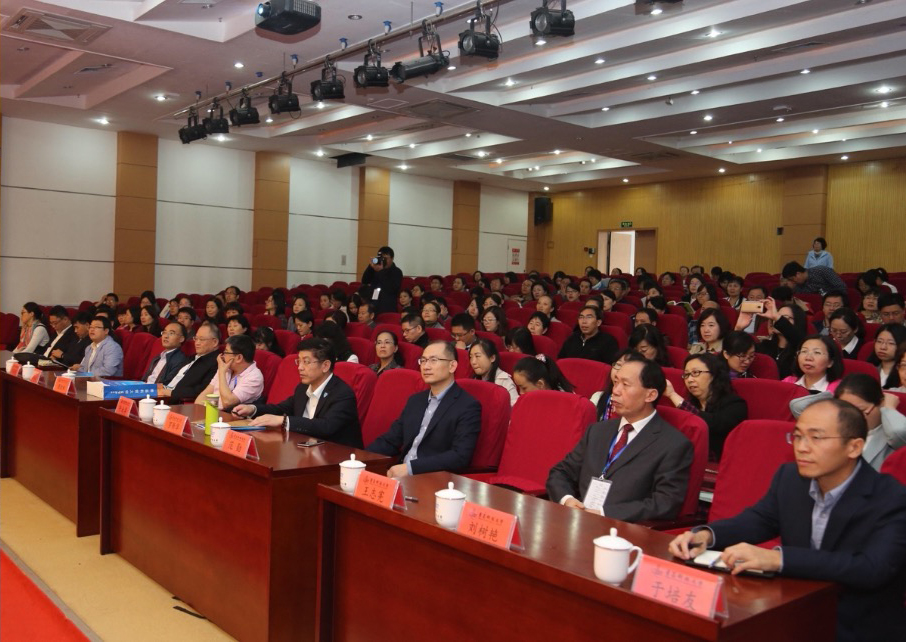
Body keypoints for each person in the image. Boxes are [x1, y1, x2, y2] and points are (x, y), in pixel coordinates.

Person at [668, 399, 906, 642]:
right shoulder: (790, 477)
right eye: (798, 436)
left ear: (854, 447)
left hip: (855, 626)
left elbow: (871, 568)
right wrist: (707, 535)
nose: (802, 447)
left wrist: (778, 559)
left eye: (816, 438)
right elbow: (759, 520)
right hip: (793, 610)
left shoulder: (891, 497)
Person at [547, 355, 694, 522]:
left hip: (622, 529)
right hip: (577, 520)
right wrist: (567, 500)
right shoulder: (597, 431)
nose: (615, 391)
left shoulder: (673, 445)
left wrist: (603, 513)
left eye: (625, 384)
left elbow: (664, 503)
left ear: (650, 395)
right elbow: (561, 473)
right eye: (616, 382)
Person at [367, 341, 481, 478]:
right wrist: (361, 458)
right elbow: (391, 440)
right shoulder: (415, 400)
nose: (426, 366)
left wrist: (410, 468)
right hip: (400, 474)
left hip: (431, 479)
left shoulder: (467, 406)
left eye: (433, 360)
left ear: (452, 366)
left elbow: (460, 456)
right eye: (423, 360)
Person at [232, 338, 362, 448]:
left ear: (325, 366)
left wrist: (284, 421)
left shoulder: (343, 394)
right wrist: (252, 409)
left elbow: (326, 426)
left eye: (306, 362)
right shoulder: (302, 388)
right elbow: (281, 409)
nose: (300, 367)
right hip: (304, 450)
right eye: (299, 361)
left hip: (337, 456)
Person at [662, 353, 748, 460]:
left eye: (695, 373)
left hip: (720, 462)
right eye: (686, 374)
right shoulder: (691, 404)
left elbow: (710, 424)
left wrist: (672, 395)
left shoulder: (735, 404)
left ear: (713, 375)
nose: (689, 379)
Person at [833, 374, 906, 471]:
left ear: (881, 403)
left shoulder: (891, 433)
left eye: (861, 410)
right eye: (846, 413)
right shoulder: (835, 430)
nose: (853, 418)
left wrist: (889, 408)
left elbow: (899, 432)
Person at [194, 334, 264, 410]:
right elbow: (204, 395)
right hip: (212, 412)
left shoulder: (254, 377)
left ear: (239, 358)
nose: (222, 356)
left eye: (226, 353)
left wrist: (222, 373)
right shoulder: (226, 368)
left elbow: (227, 402)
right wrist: (199, 410)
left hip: (231, 416)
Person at [163, 322, 221, 402]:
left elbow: (202, 390)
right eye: (196, 338)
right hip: (164, 394)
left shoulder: (216, 362)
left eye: (201, 339)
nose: (197, 343)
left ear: (215, 342)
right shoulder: (191, 357)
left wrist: (172, 393)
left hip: (177, 401)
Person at [469, 339, 518, 406]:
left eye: (477, 356)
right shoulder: (474, 379)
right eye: (471, 357)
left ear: (492, 358)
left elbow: (515, 407)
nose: (473, 362)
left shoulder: (504, 381)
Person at [591, 349, 634, 420]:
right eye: (618, 365)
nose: (619, 371)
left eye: (627, 367)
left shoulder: (637, 405)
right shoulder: (598, 397)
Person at [361, 246, 403, 314]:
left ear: (392, 258)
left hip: (387, 307)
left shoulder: (397, 272)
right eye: (381, 258)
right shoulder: (376, 269)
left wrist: (381, 271)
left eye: (386, 258)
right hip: (373, 304)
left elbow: (391, 288)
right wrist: (370, 267)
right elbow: (365, 281)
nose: (383, 260)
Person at [782, 260, 846, 296]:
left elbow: (841, 287)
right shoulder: (798, 287)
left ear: (798, 274)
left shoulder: (822, 271)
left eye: (792, 279)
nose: (793, 282)